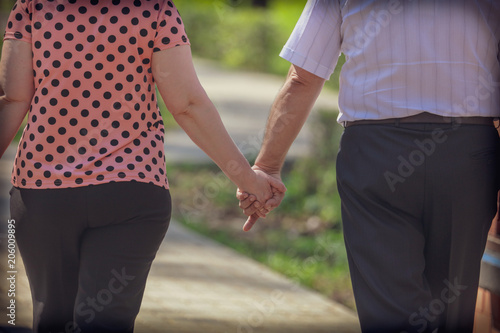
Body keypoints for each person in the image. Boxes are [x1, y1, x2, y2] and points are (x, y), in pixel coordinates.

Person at [0, 0, 285, 332]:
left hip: (43, 193)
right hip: (131, 191)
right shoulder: (154, 9)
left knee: (53, 319)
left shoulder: (34, 7)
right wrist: (248, 179)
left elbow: (13, 98)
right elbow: (188, 104)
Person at [238, 0, 500, 332]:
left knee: (390, 314)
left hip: (376, 156)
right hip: (467, 154)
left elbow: (302, 79)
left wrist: (267, 167)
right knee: (451, 309)